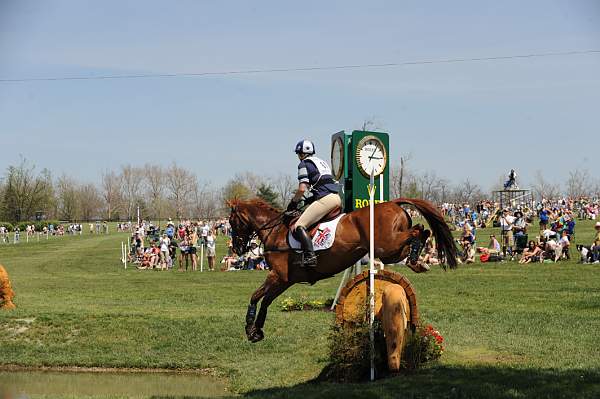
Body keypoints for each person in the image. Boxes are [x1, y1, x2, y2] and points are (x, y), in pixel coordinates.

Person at [286, 139, 341, 267]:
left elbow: (302, 188)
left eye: (298, 154)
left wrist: (293, 203)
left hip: (326, 199)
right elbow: (323, 183)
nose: (298, 157)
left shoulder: (303, 164)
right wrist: (311, 198)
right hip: (337, 198)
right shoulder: (321, 162)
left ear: (302, 154)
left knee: (299, 225)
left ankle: (310, 257)